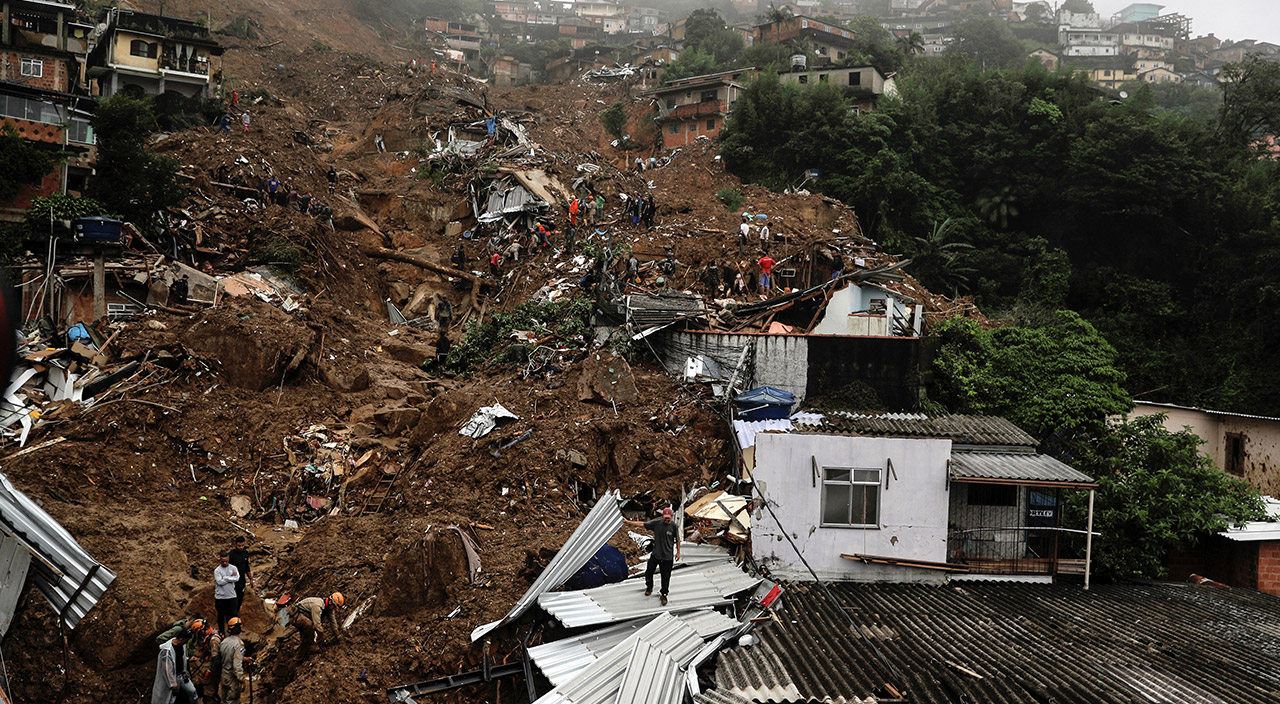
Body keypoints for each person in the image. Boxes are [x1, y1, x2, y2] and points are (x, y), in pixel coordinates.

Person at [623, 507, 681, 605]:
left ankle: (664, 594)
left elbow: (678, 540)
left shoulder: (674, 526)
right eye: (665, 517)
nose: (667, 519)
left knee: (666, 577)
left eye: (668, 518)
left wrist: (678, 552)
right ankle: (649, 587)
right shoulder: (657, 523)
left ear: (671, 516)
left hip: (667, 557)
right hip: (656, 554)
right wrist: (628, 522)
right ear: (663, 516)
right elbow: (642, 524)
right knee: (649, 572)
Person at [289, 592, 345, 657]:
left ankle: (307, 644)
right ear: (330, 602)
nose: (334, 609)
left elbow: (333, 622)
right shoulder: (317, 606)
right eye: (334, 607)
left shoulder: (328, 608)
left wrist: (338, 635)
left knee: (310, 625)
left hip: (305, 615)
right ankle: (303, 652)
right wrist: (323, 637)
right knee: (309, 625)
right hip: (295, 616)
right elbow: (317, 625)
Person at [152, 629, 192, 704]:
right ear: (181, 639)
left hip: (181, 675)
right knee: (170, 698)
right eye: (186, 640)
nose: (186, 642)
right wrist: (172, 683)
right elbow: (166, 668)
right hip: (172, 677)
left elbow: (183, 659)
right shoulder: (167, 650)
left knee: (192, 692)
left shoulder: (182, 646)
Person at [189, 620, 223, 704]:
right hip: (210, 664)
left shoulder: (214, 639)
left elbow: (216, 659)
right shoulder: (208, 637)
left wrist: (210, 671)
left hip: (215, 669)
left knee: (209, 693)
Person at [218, 618, 245, 704]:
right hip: (232, 678)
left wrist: (244, 658)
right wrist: (241, 679)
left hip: (224, 675)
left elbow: (226, 656)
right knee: (233, 701)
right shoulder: (239, 644)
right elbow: (237, 666)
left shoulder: (224, 642)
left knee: (224, 700)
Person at [213, 553, 240, 634]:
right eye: (223, 561)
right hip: (220, 597)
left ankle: (234, 631)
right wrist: (230, 577)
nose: (225, 563)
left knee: (234, 614)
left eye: (226, 561)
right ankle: (222, 632)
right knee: (221, 615)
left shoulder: (233, 568)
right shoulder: (217, 570)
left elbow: (237, 578)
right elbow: (219, 582)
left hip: (232, 596)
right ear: (220, 560)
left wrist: (224, 578)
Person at [228, 536, 252, 613]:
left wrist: (251, 579)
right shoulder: (231, 555)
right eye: (239, 546)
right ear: (235, 544)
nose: (241, 547)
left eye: (242, 545)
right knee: (232, 599)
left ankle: (236, 614)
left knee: (240, 599)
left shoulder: (245, 553)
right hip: (233, 581)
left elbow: (246, 567)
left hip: (241, 581)